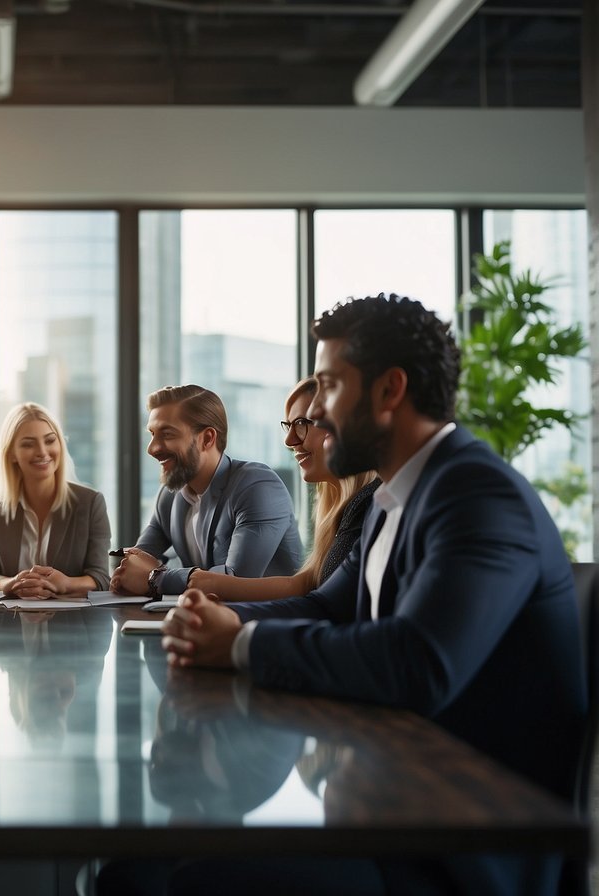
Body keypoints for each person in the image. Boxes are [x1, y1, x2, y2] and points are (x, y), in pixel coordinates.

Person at [152, 294, 585, 896]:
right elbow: (329, 603)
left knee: (171, 876)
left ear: (389, 391)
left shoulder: (478, 494)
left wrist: (243, 643)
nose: (317, 415)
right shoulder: (390, 499)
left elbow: (418, 661)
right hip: (391, 796)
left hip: (464, 846)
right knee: (147, 865)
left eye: (329, 387)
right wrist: (216, 618)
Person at [186, 376, 379, 601]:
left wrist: (169, 579)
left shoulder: (367, 505)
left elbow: (319, 603)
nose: (289, 440)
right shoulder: (340, 507)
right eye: (289, 426)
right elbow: (304, 584)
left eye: (301, 423)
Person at [110, 384, 302, 598]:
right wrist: (126, 573)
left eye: (167, 434)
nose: (152, 448)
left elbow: (234, 581)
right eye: (152, 434)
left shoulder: (258, 486)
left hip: (268, 625)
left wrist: (154, 577)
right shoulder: (169, 495)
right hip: (203, 622)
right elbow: (137, 561)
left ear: (208, 438)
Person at [0, 402, 111, 597]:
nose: (43, 452)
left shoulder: (90, 503)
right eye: (28, 444)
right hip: (10, 622)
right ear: (12, 454)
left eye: (50, 440)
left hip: (71, 621)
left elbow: (101, 578)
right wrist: (11, 584)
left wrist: (66, 583)